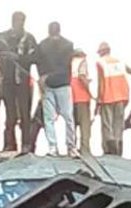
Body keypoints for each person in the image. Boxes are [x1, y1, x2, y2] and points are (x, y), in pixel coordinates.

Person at [0, 11, 38, 153]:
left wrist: (18, 57)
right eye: (18, 21)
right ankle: (9, 144)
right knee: (10, 114)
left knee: (25, 114)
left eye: (22, 21)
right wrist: (4, 55)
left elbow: (35, 58)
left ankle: (26, 144)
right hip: (7, 81)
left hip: (23, 82)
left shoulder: (29, 38)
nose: (20, 24)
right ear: (13, 21)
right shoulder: (2, 38)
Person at [36, 22, 76, 157]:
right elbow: (66, 65)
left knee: (49, 119)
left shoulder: (42, 45)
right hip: (63, 83)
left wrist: (43, 77)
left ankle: (53, 148)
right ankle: (71, 147)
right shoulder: (68, 45)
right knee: (68, 117)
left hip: (48, 85)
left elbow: (37, 62)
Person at [94, 42, 129, 156]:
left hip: (107, 96)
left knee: (107, 124)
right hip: (122, 96)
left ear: (102, 52)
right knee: (118, 124)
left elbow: (101, 82)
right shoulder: (120, 62)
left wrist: (98, 100)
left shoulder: (100, 62)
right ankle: (119, 147)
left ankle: (109, 149)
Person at [69, 48, 92, 156]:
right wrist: (91, 91)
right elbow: (82, 77)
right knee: (85, 126)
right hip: (82, 97)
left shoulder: (69, 63)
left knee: (72, 124)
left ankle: (71, 148)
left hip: (70, 97)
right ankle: (85, 149)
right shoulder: (82, 62)